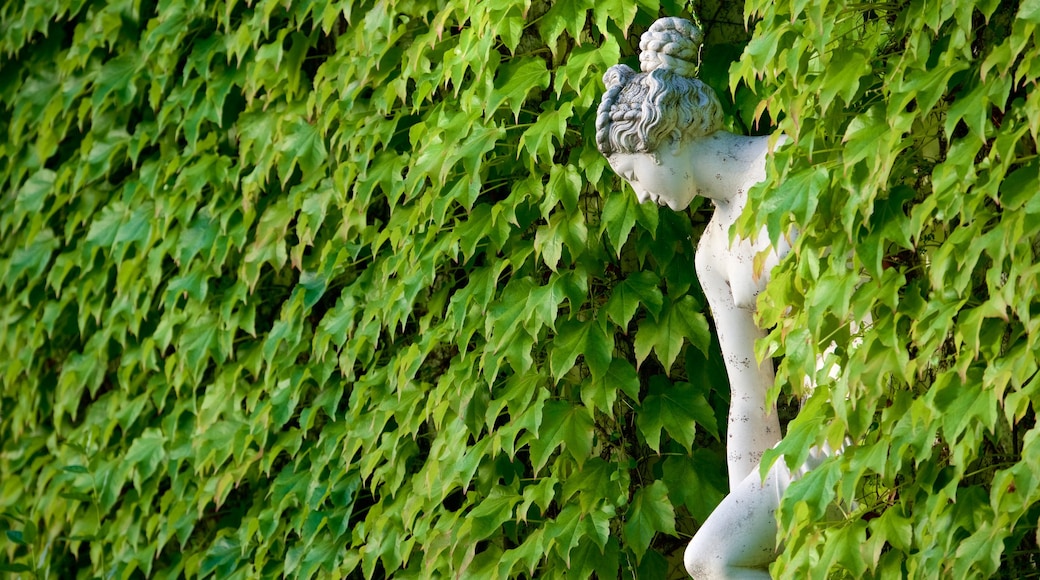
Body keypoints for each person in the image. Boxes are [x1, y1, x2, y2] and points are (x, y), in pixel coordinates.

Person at [596, 17, 806, 578]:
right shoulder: (713, 253)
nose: (641, 194)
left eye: (634, 174)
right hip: (819, 440)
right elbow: (749, 399)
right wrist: (753, 516)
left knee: (708, 556)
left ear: (664, 138)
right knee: (714, 557)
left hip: (871, 403)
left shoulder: (789, 163)